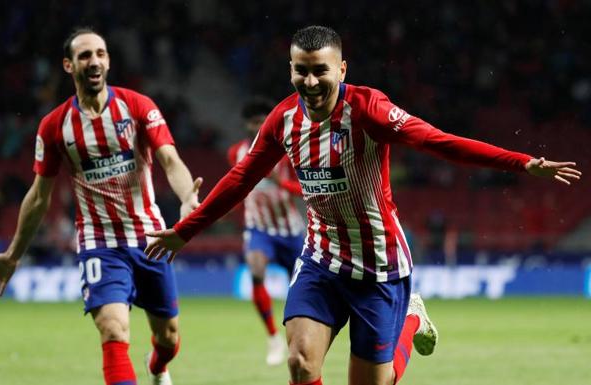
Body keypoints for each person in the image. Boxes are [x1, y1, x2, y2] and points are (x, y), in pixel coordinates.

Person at [144, 26, 582, 385]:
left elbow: (440, 143)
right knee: (300, 364)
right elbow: (241, 179)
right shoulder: (283, 119)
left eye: (320, 71)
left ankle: (410, 320)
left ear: (342, 69)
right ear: (291, 70)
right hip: (321, 261)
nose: (310, 83)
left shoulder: (370, 110)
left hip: (379, 267)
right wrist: (186, 230)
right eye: (301, 72)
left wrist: (522, 163)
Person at [0, 27, 202, 385]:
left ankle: (157, 366)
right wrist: (14, 254)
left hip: (150, 239)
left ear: (109, 61)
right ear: (69, 65)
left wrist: (188, 198)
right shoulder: (55, 126)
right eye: (84, 55)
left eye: (100, 53)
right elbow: (38, 196)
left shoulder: (138, 106)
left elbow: (170, 161)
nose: (94, 61)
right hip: (99, 243)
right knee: (113, 330)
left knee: (168, 338)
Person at [227, 98, 305, 365]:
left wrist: (280, 182)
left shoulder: (286, 152)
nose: (258, 125)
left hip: (290, 231)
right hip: (258, 229)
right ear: (247, 125)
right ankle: (273, 337)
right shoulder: (236, 153)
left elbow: (305, 190)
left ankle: (298, 338)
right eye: (253, 121)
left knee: (301, 288)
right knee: (256, 272)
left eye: (262, 120)